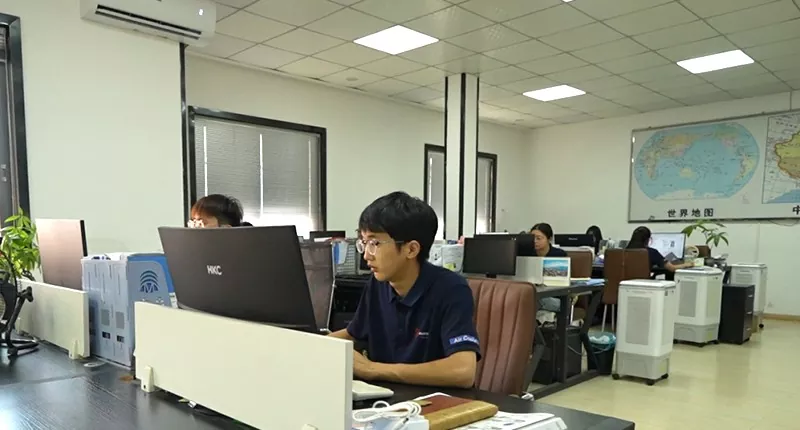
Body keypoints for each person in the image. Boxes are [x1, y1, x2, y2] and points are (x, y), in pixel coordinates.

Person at [329, 192, 479, 389]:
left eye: (375, 243)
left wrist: (374, 369)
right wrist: (303, 346)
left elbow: (463, 371)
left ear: (411, 249)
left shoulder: (451, 289)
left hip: (436, 400)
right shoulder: (378, 283)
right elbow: (352, 334)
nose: (366, 255)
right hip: (387, 397)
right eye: (364, 243)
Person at [530, 223, 567, 313]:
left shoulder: (559, 255)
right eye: (532, 238)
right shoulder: (527, 254)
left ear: (549, 239)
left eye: (538, 238)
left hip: (555, 298)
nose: (535, 241)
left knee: (533, 299)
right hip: (535, 295)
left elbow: (561, 284)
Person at [627, 226, 694, 272]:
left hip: (626, 284)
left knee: (670, 257)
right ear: (647, 239)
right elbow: (672, 268)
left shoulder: (624, 252)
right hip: (645, 283)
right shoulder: (652, 252)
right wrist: (688, 264)